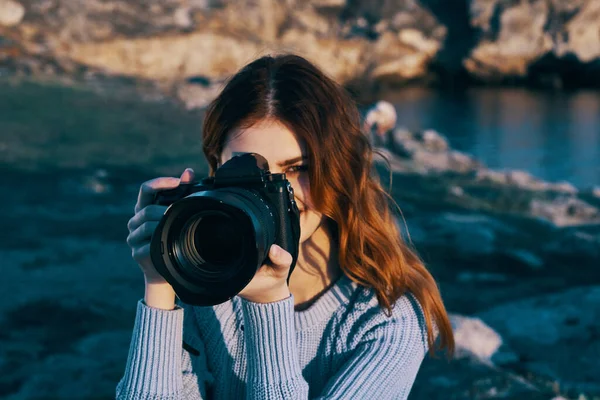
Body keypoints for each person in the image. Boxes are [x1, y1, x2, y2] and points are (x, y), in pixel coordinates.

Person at [117, 53, 455, 399]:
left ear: (338, 170)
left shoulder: (387, 315)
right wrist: (160, 280)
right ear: (216, 167)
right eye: (250, 170)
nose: (277, 195)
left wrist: (268, 305)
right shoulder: (202, 274)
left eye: (297, 169)